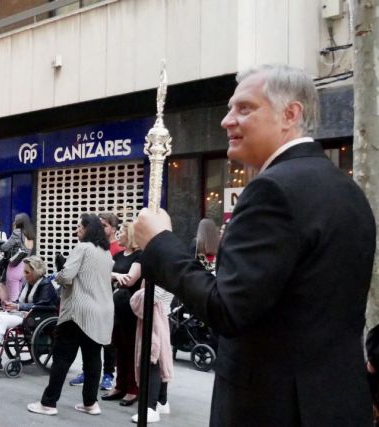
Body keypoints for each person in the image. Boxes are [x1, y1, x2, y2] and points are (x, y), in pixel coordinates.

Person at [134, 64, 376, 426]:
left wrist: (159, 243)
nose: (226, 121)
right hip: (338, 404)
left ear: (289, 114)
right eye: (231, 108)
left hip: (272, 408)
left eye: (244, 108)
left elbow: (227, 309)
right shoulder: (349, 191)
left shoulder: (272, 190)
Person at [28, 214, 114, 417]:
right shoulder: (106, 253)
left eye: (79, 227)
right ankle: (90, 403)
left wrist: (58, 273)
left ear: (88, 230)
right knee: (93, 360)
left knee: (62, 359)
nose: (76, 230)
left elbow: (66, 276)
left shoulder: (83, 248)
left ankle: (48, 403)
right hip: (101, 313)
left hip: (77, 312)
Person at [70, 212, 121, 390]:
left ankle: (108, 374)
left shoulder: (116, 249)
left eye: (105, 225)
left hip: (108, 298)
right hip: (92, 298)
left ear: (113, 229)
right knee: (89, 342)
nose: (101, 228)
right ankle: (87, 372)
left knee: (107, 341)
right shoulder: (92, 247)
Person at [0, 256, 58, 369]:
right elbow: (20, 302)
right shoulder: (27, 283)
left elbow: (41, 305)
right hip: (25, 313)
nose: (24, 275)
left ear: (36, 272)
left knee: (1, 319)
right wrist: (10, 304)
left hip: (37, 316)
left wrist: (18, 306)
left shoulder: (46, 284)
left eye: (27, 272)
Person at [102, 222, 141, 406]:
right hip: (115, 307)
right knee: (119, 347)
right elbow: (105, 275)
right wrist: (117, 276)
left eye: (122, 231)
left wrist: (114, 276)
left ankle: (133, 388)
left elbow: (130, 279)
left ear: (130, 234)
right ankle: (120, 385)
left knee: (131, 348)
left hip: (131, 309)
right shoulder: (117, 255)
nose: (118, 234)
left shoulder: (140, 255)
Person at [130, 284, 173, 424]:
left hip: (157, 320)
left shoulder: (163, 267)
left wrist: (138, 294)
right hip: (163, 317)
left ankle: (151, 408)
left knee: (152, 360)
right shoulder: (168, 266)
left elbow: (151, 296)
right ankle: (161, 401)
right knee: (159, 360)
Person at [0, 213, 36, 303]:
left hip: (15, 266)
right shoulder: (30, 234)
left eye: (15, 220)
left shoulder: (17, 232)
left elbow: (4, 247)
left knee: (13, 300)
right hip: (26, 267)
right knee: (20, 299)